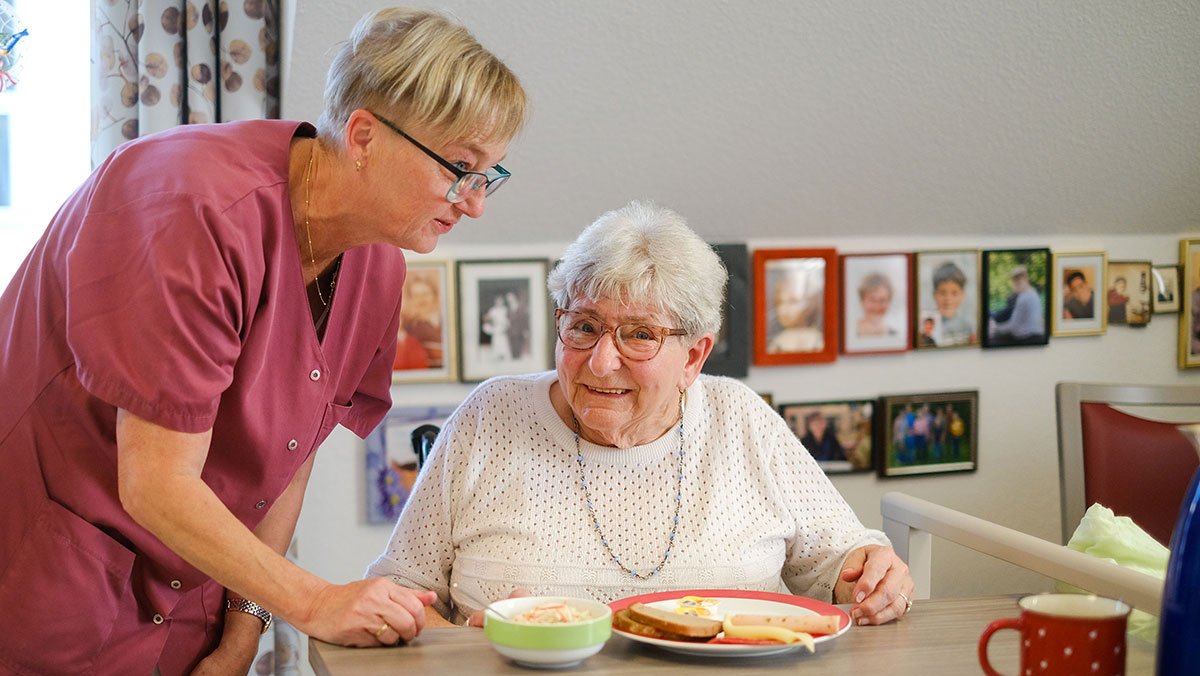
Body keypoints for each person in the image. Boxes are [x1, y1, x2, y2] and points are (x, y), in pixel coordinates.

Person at [0, 7, 527, 674]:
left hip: (189, 603)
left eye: (489, 175)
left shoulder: (377, 261)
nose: (474, 201)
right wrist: (317, 602)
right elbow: (155, 483)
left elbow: (290, 455)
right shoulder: (190, 207)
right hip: (47, 582)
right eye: (459, 166)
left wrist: (247, 622)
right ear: (363, 135)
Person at [368, 201, 915, 628]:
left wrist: (869, 572)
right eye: (582, 326)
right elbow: (399, 594)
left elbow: (839, 562)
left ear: (694, 357)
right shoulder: (492, 415)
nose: (601, 363)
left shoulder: (740, 418)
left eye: (639, 336)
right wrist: (464, 646)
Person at [767, 267, 824, 353]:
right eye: (779, 302)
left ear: (810, 303)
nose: (783, 309)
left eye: (792, 302)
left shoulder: (818, 340)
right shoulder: (778, 342)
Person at [989, 266, 1045, 345]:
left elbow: (1013, 327)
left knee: (991, 340)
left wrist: (996, 328)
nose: (1015, 284)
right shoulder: (1034, 293)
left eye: (1018, 281)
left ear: (1026, 279)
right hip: (1035, 337)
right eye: (1014, 281)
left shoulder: (1024, 297)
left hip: (1027, 339)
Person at [931, 261, 974, 346]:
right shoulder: (928, 325)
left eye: (954, 293)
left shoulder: (966, 326)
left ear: (962, 295)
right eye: (942, 293)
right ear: (934, 295)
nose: (948, 299)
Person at [855, 272, 896, 337]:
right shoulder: (849, 334)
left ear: (889, 302)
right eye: (872, 300)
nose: (876, 306)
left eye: (882, 300)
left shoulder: (895, 336)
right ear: (862, 301)